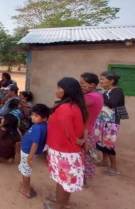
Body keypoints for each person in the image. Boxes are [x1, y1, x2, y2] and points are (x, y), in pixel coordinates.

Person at [44, 77, 87, 209]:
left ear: (67, 91)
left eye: (59, 88)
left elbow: (67, 131)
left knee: (64, 180)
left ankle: (60, 205)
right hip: (66, 150)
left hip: (64, 150)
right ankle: (61, 201)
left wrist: (77, 140)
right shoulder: (76, 106)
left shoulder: (65, 108)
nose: (56, 91)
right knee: (64, 179)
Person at [96, 71, 125, 177]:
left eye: (103, 79)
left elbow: (112, 104)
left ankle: (114, 168)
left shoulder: (117, 91)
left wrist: (101, 94)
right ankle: (104, 161)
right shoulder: (105, 91)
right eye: (100, 79)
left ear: (111, 81)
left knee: (108, 144)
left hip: (111, 122)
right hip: (102, 120)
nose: (101, 81)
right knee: (101, 142)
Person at [18, 104, 50, 199]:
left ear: (44, 118)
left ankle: (26, 190)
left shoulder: (37, 128)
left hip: (27, 153)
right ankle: (27, 186)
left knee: (25, 171)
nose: (33, 117)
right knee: (25, 169)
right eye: (32, 114)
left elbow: (35, 144)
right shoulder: (43, 125)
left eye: (36, 116)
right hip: (29, 151)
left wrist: (30, 158)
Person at [79, 73, 104, 185]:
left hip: (85, 129)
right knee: (85, 154)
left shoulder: (91, 97)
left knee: (84, 154)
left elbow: (76, 104)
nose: (81, 86)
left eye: (82, 84)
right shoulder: (96, 94)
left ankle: (82, 180)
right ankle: (83, 179)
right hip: (88, 127)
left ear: (92, 84)